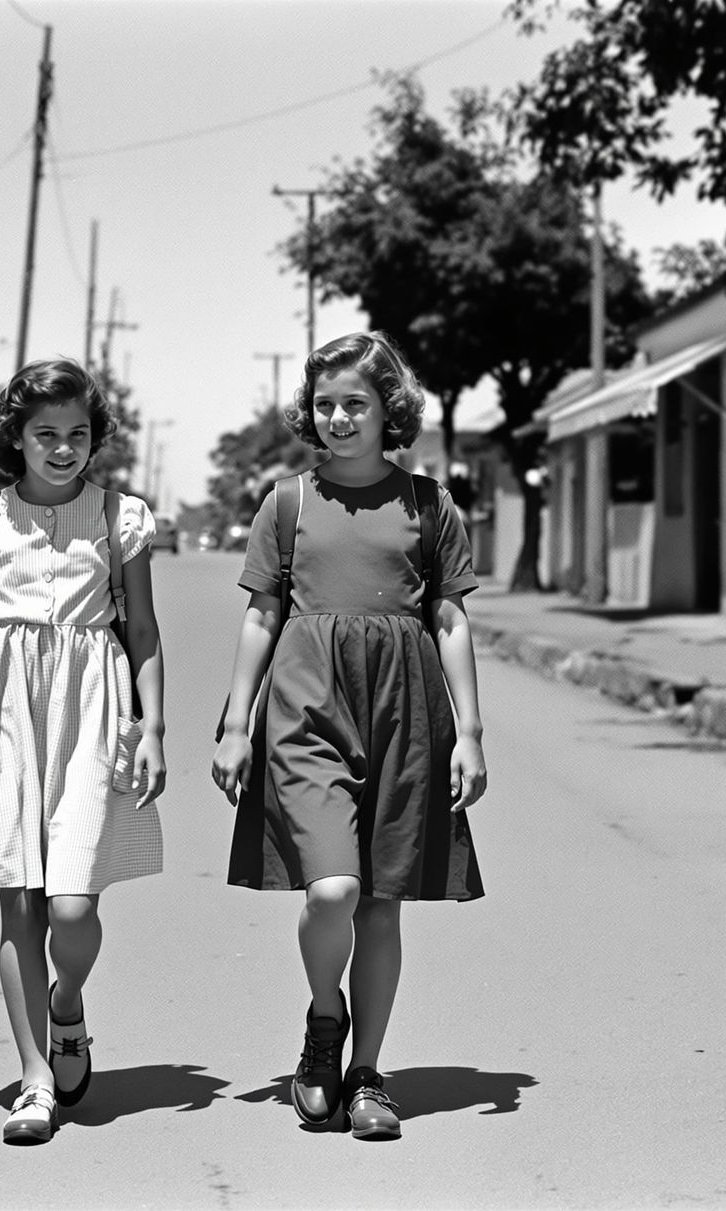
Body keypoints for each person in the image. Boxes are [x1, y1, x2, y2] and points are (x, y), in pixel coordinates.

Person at [211, 331, 488, 1141]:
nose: (337, 417)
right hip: (306, 704)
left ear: (388, 409)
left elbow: (449, 616)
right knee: (331, 888)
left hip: (403, 706)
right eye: (325, 402)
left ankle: (367, 1071)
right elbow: (262, 613)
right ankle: (323, 1025)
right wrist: (235, 723)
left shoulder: (429, 504)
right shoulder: (286, 502)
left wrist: (469, 732)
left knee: (380, 902)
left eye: (355, 404)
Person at [0, 357, 167, 1145]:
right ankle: (36, 1077)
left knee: (73, 901)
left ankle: (67, 1004)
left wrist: (153, 726)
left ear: (95, 438)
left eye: (76, 434)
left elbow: (142, 630)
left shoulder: (117, 516)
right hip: (2, 708)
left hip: (92, 708)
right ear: (16, 438)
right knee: (17, 896)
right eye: (45, 435)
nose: (62, 449)